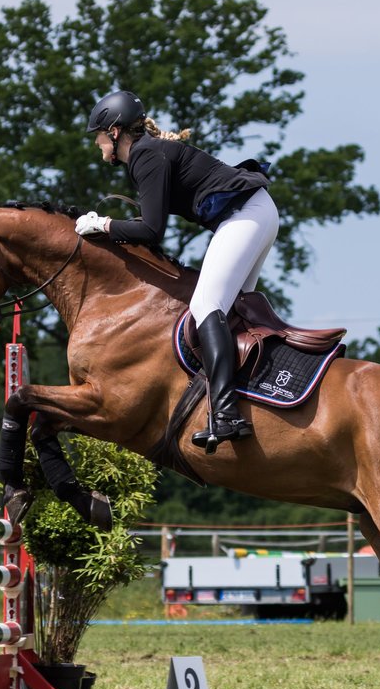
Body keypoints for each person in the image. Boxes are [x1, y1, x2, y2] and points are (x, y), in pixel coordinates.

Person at [77, 90, 279, 452]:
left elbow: (152, 232)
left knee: (206, 305)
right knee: (230, 312)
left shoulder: (145, 156)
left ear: (114, 131)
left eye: (97, 136)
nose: (96, 144)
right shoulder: (149, 153)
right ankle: (252, 397)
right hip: (256, 213)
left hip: (246, 215)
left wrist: (104, 225)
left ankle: (227, 414)